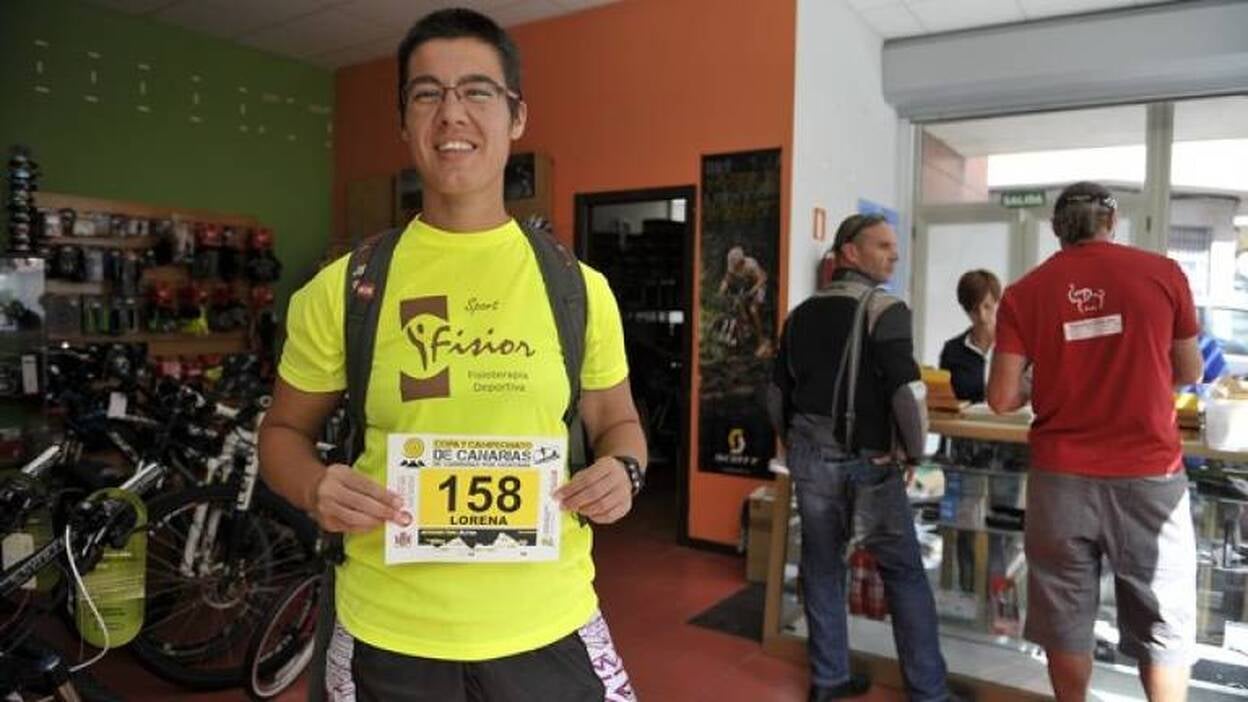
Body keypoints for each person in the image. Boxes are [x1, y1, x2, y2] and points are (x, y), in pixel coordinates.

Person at [257, 9, 646, 701]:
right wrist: (315, 486)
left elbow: (619, 422)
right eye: (427, 94)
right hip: (387, 637)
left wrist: (625, 471)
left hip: (550, 625)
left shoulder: (579, 290)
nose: (451, 113)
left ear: (516, 116)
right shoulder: (345, 289)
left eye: (477, 91)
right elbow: (282, 433)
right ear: (404, 121)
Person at [988, 181, 1203, 702]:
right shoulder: (1164, 274)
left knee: (1065, 616)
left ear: (1056, 230)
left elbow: (1001, 397)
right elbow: (1190, 370)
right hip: (1150, 474)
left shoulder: (1024, 293)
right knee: (1162, 620)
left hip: (1060, 478)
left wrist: (1044, 380)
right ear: (1111, 221)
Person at [768, 213, 948, 702]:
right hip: (869, 464)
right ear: (850, 252)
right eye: (883, 245)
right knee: (903, 574)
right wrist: (916, 451)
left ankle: (828, 680)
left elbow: (776, 393)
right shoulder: (885, 309)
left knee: (823, 567)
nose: (895, 254)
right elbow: (907, 393)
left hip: (810, 459)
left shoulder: (799, 314)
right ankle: (928, 692)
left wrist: (793, 444)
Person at [939, 269, 1001, 404]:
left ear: (997, 303)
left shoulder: (1017, 346)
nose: (982, 316)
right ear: (965, 309)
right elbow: (945, 401)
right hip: (967, 417)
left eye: (987, 306)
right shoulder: (952, 351)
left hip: (1011, 418)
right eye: (974, 309)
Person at [718, 245, 771, 356]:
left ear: (741, 262)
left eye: (736, 265)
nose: (734, 267)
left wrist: (752, 292)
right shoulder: (733, 266)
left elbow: (761, 279)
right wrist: (721, 290)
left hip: (759, 286)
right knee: (738, 302)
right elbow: (727, 279)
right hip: (747, 286)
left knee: (753, 309)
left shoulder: (751, 264)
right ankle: (745, 328)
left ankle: (761, 340)